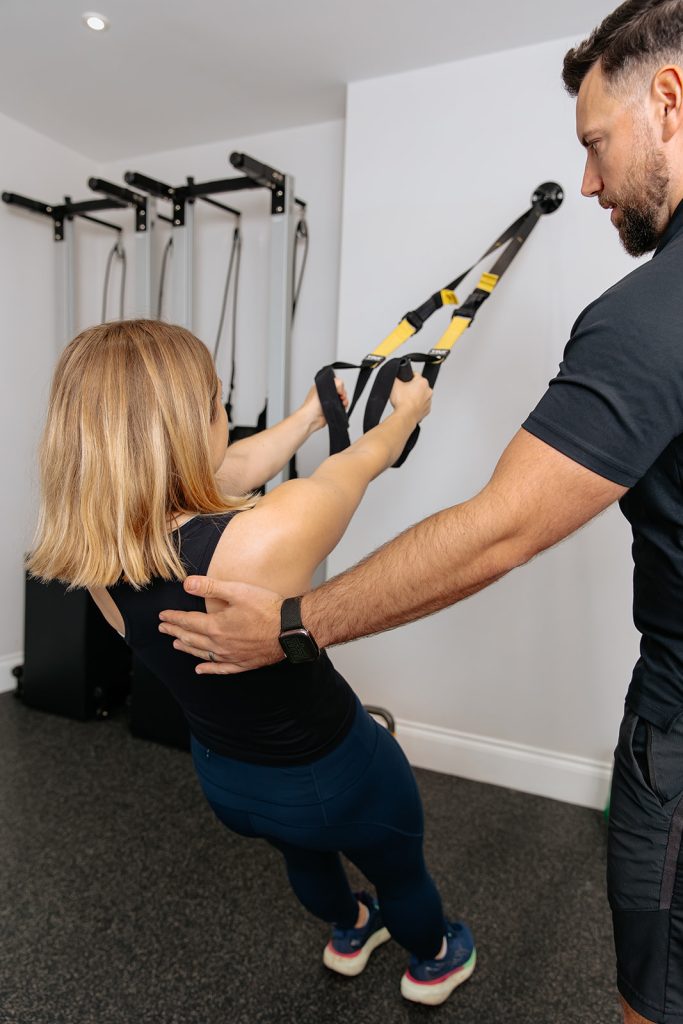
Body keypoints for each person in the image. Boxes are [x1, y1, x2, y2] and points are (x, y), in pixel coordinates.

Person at [155, 3, 683, 1022]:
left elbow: (496, 528)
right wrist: (348, 429)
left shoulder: (645, 318)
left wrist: (294, 622)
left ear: (670, 100)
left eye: (593, 145)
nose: (585, 183)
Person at [27, 318, 478, 1008]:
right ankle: (433, 959)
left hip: (228, 780)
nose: (227, 419)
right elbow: (354, 464)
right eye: (218, 405)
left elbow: (224, 469)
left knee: (303, 852)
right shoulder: (269, 533)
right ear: (188, 426)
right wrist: (408, 413)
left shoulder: (95, 553)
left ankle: (350, 929)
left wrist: (306, 415)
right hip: (337, 771)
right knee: (400, 872)